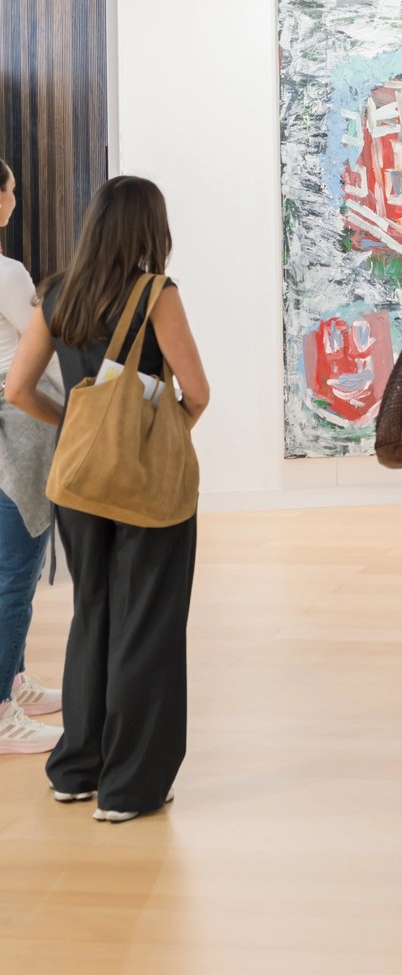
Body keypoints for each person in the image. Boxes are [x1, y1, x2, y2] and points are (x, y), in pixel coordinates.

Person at [5, 176, 209, 822]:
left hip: (78, 478)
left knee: (93, 612)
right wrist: (157, 434)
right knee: (148, 619)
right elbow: (197, 391)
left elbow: (17, 388)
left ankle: (75, 768)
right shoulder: (156, 293)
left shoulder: (57, 292)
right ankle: (130, 786)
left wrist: (72, 425)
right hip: (146, 484)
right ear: (152, 227)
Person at [0, 159, 66, 755]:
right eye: (12, 190)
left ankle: (14, 682)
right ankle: (1, 712)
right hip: (17, 435)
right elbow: (36, 351)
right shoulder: (9, 272)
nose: (16, 200)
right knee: (15, 573)